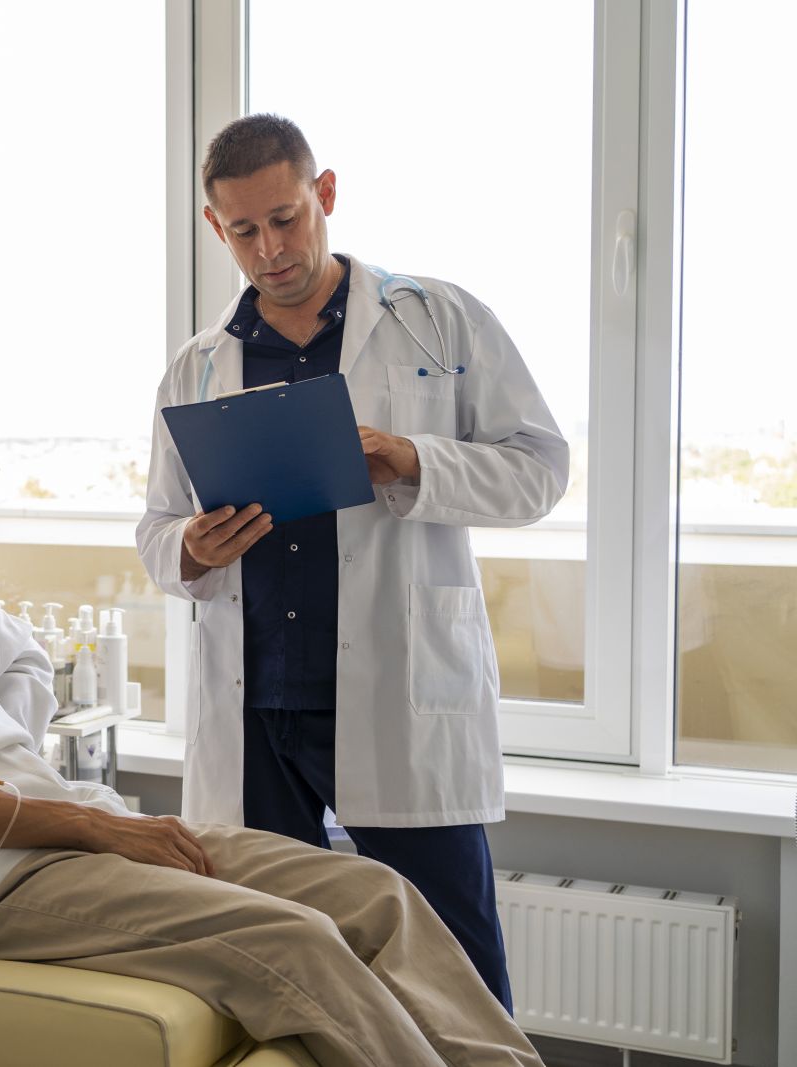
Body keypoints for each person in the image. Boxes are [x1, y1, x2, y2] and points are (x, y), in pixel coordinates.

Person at [0, 355, 545, 1067]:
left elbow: (24, 664)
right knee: (297, 940)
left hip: (63, 827)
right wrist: (79, 823)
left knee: (378, 896)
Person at [135, 113, 569, 1013]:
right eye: (244, 230)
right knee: (275, 966)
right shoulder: (198, 366)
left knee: (454, 963)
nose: (270, 249)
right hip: (256, 709)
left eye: (286, 218)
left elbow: (540, 470)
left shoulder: (438, 320)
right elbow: (158, 526)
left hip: (395, 697)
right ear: (215, 227)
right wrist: (188, 548)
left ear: (324, 193)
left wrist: (413, 460)